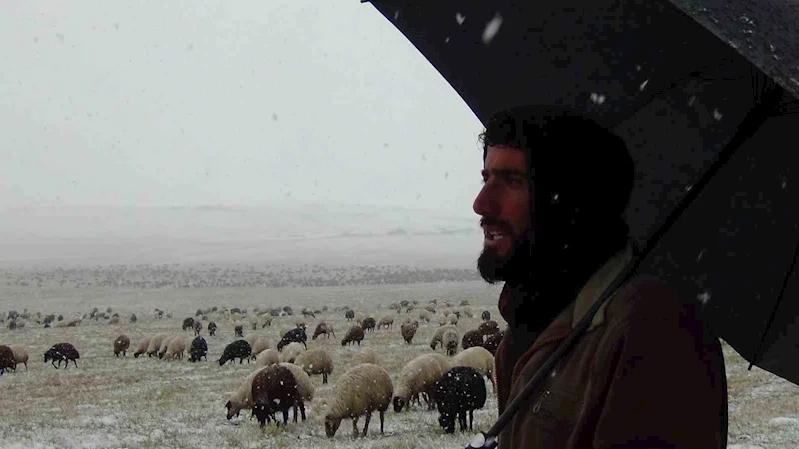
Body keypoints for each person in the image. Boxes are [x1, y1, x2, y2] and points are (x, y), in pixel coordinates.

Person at [472, 105, 728, 449]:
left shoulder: (653, 329)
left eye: (513, 181)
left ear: (569, 200)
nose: (481, 203)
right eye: (486, 178)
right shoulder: (532, 319)